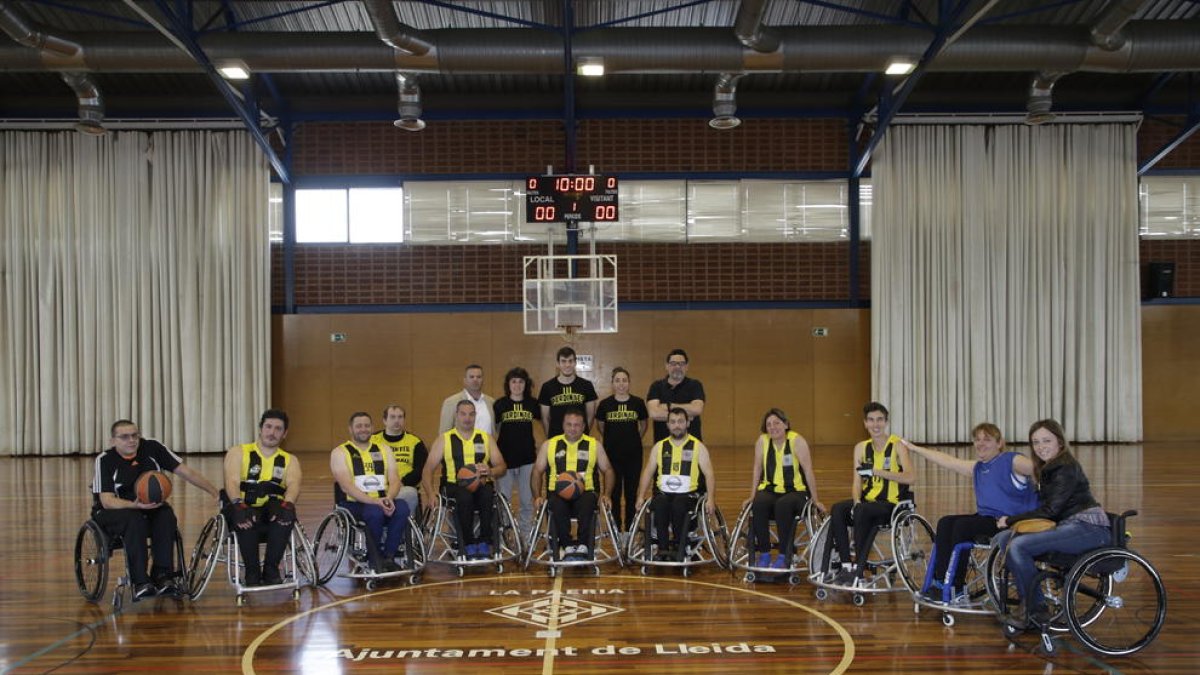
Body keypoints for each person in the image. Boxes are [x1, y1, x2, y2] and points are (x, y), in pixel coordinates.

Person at [993, 419, 1111, 629]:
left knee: (1019, 545)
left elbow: (1051, 511)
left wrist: (1011, 520)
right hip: (1069, 525)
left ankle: (1035, 609)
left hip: (1089, 528)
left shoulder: (1065, 467)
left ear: (1060, 442)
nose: (1041, 447)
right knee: (1004, 538)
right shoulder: (1048, 469)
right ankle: (1029, 597)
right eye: (1036, 442)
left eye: (1046, 440)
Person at [901, 423, 1037, 601]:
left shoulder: (1011, 460)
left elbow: (1040, 469)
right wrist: (914, 448)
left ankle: (956, 586)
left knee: (963, 526)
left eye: (987, 440)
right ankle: (940, 581)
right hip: (988, 519)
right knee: (945, 522)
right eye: (977, 439)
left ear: (1000, 443)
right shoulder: (979, 467)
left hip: (1010, 522)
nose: (981, 443)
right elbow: (947, 461)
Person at [91, 419, 220, 600]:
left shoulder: (152, 448)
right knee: (134, 520)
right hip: (114, 510)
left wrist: (215, 492)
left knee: (166, 516)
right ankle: (140, 581)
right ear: (113, 441)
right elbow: (106, 500)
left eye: (135, 435)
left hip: (148, 506)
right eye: (125, 437)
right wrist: (135, 505)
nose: (131, 440)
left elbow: (186, 472)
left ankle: (162, 575)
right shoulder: (104, 460)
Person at [820, 402, 916, 584]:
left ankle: (859, 568)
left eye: (879, 420)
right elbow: (857, 482)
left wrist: (878, 472)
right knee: (838, 509)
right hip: (867, 502)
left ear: (886, 422)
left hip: (890, 505)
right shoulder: (861, 448)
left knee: (863, 511)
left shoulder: (897, 446)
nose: (875, 424)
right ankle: (847, 565)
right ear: (865, 423)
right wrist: (856, 501)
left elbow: (911, 478)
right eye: (871, 420)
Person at [222, 409, 302, 587]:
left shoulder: (290, 460)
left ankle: (271, 570)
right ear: (260, 429)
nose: (272, 432)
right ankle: (252, 572)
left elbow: (294, 484)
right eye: (268, 427)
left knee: (284, 516)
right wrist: (237, 504)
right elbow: (232, 481)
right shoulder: (238, 452)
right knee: (247, 518)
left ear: (284, 433)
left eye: (278, 429)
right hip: (242, 505)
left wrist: (288, 504)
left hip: (271, 508)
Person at [423, 400, 508, 559]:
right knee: (464, 496)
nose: (467, 418)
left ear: (475, 416)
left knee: (487, 494)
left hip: (482, 484)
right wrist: (430, 493)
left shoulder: (486, 438)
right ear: (456, 415)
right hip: (453, 486)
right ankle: (467, 543)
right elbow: (428, 469)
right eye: (463, 414)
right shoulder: (444, 439)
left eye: (471, 414)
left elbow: (501, 466)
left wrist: (490, 471)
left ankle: (484, 541)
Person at [744, 408, 825, 570]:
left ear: (786, 424)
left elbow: (808, 471)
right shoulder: (762, 441)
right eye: (769, 424)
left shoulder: (797, 441)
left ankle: (783, 555)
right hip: (770, 489)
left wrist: (815, 499)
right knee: (758, 503)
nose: (773, 427)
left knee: (783, 504)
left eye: (777, 423)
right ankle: (765, 554)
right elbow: (757, 469)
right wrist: (751, 495)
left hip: (795, 492)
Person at [530, 408, 616, 560]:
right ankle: (567, 545)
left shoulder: (593, 445)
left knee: (589, 501)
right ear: (563, 425)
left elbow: (608, 470)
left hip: (586, 493)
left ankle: (583, 546)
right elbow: (537, 471)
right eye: (569, 424)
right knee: (556, 504)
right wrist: (537, 496)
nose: (572, 428)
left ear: (583, 426)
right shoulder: (550, 444)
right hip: (557, 494)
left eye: (577, 425)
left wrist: (607, 494)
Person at [634, 407, 717, 562]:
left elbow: (709, 474)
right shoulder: (659, 446)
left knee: (679, 504)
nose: (676, 425)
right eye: (673, 422)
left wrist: (711, 499)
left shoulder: (697, 446)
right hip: (664, 493)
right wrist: (640, 496)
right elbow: (648, 472)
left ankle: (681, 545)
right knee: (659, 503)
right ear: (667, 425)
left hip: (688, 494)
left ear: (687, 424)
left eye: (680, 421)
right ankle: (663, 548)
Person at [330, 411, 409, 573]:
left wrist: (389, 498)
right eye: (359, 426)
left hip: (382, 500)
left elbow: (395, 479)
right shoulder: (340, 452)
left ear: (372, 427)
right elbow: (346, 485)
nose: (363, 429)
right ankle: (375, 558)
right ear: (350, 429)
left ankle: (388, 557)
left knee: (402, 508)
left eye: (367, 425)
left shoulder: (384, 449)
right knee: (375, 512)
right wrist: (374, 501)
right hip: (353, 503)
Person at [595, 367, 648, 533]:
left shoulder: (638, 403)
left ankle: (631, 529)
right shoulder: (605, 404)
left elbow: (644, 425)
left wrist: (633, 438)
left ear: (629, 383)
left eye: (624, 380)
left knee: (632, 494)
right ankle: (616, 529)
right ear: (612, 383)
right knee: (614, 494)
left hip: (633, 455)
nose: (621, 384)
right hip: (612, 456)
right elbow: (601, 427)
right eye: (617, 380)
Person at [493, 367, 540, 537]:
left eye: (521, 381)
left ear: (525, 384)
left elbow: (546, 423)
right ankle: (505, 537)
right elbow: (495, 429)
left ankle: (525, 537)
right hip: (504, 461)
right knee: (503, 502)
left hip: (527, 459)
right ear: (508, 384)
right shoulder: (500, 404)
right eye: (514, 381)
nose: (517, 385)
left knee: (527, 501)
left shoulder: (533, 404)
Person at [370, 405, 426, 515]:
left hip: (403, 487)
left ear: (404, 420)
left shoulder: (415, 442)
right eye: (392, 417)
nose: (397, 421)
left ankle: (404, 527)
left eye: (400, 417)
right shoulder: (372, 440)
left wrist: (401, 483)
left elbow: (420, 470)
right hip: (378, 487)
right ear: (385, 420)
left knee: (410, 494)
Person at [646, 348, 706, 443]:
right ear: (667, 366)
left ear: (687, 366)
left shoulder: (695, 385)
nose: (677, 367)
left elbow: (697, 409)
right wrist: (686, 417)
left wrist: (668, 406)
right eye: (673, 363)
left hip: (691, 445)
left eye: (681, 364)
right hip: (663, 445)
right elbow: (654, 413)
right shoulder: (656, 386)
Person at [539, 346, 598, 438]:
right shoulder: (547, 387)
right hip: (556, 438)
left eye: (570, 361)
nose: (567, 365)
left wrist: (582, 434)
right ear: (558, 364)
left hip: (580, 439)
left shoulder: (586, 385)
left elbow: (590, 416)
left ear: (575, 363)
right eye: (563, 361)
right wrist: (551, 438)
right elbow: (545, 418)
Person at [439, 364, 495, 436]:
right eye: (471, 377)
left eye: (479, 377)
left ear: (483, 380)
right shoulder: (451, 402)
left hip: (487, 446)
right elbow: (444, 432)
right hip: (461, 446)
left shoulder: (492, 402)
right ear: (465, 380)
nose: (475, 379)